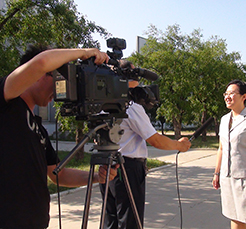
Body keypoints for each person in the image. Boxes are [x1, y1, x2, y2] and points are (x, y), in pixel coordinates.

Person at [0, 44, 118, 229]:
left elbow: (58, 175)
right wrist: (85, 52)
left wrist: (96, 177)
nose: (58, 90)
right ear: (38, 75)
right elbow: (42, 62)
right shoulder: (7, 100)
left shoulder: (38, 127)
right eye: (57, 79)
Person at [99, 60, 192, 229]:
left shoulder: (102, 102)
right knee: (129, 220)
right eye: (136, 74)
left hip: (107, 167)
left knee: (110, 219)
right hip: (127, 169)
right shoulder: (130, 105)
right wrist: (179, 145)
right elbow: (154, 139)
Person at [212, 79, 246, 229]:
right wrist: (217, 173)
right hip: (227, 178)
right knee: (235, 218)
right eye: (226, 93)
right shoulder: (224, 120)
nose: (227, 97)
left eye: (232, 93)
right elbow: (221, 149)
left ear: (244, 96)